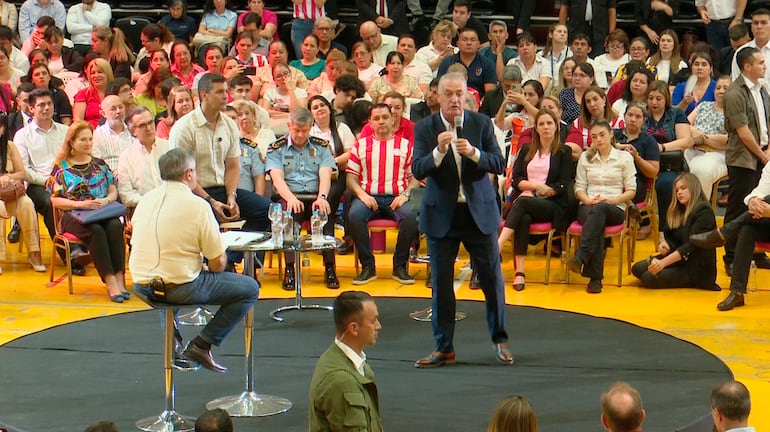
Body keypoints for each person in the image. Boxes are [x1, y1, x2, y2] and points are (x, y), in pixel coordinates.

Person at [412, 72, 513, 367]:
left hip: (478, 213)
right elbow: (418, 168)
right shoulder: (425, 128)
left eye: (460, 94)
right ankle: (444, 347)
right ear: (438, 97)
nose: (455, 99)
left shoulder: (481, 123)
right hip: (441, 214)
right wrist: (438, 151)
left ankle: (500, 339)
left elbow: (499, 162)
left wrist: (474, 153)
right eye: (449, 94)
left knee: (492, 280)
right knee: (441, 285)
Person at [130, 147, 259, 372]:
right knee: (249, 288)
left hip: (141, 283)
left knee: (169, 276)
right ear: (189, 174)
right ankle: (203, 343)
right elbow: (218, 263)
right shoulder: (198, 205)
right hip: (178, 286)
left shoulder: (145, 200)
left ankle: (174, 343)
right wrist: (207, 263)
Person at [169, 73, 271, 268]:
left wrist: (231, 196)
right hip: (193, 193)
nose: (226, 96)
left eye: (226, 91)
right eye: (219, 92)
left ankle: (237, 259)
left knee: (267, 210)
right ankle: (220, 263)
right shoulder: (184, 128)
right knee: (207, 216)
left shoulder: (230, 124)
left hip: (223, 189)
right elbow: (184, 175)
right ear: (204, 95)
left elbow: (233, 165)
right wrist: (210, 201)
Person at [47, 120, 126, 301]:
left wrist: (105, 199)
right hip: (74, 214)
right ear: (72, 143)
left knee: (114, 226)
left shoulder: (99, 164)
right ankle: (110, 281)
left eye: (90, 139)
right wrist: (80, 205)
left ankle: (120, 276)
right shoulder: (62, 168)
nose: (88, 143)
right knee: (96, 231)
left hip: (101, 210)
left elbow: (112, 188)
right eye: (83, 140)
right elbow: (55, 200)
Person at [498, 109, 573, 291]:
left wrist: (543, 190)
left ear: (556, 127)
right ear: (536, 128)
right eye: (541, 124)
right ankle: (520, 273)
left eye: (549, 123)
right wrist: (535, 186)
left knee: (522, 203)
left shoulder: (564, 151)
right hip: (526, 202)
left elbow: (564, 183)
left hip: (551, 204)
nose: (546, 127)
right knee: (523, 216)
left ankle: (496, 247)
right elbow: (515, 180)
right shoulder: (526, 149)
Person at [14, 87, 87, 274]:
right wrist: (48, 181)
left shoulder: (65, 131)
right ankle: (69, 253)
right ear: (31, 109)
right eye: (41, 105)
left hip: (69, 180)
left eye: (49, 104)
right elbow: (24, 170)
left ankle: (87, 246)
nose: (46, 108)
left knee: (88, 197)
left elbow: (77, 157)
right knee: (50, 202)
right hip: (38, 184)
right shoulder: (23, 135)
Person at [266, 107, 338, 290]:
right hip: (290, 196)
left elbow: (325, 175)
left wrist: (322, 197)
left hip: (315, 195)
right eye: (296, 130)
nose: (299, 134)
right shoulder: (277, 148)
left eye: (304, 131)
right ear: (289, 125)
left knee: (324, 213)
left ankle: (330, 268)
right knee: (289, 218)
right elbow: (277, 178)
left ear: (310, 127)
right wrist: (290, 198)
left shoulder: (321, 146)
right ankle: (290, 268)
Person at [346, 103, 419, 285]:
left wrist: (406, 194)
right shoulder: (360, 145)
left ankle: (400, 266)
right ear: (369, 122)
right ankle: (368, 267)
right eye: (376, 119)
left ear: (392, 119)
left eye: (385, 117)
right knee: (354, 215)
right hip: (369, 196)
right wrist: (362, 195)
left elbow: (416, 177)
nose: (381, 122)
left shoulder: (406, 146)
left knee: (411, 217)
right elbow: (350, 178)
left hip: (398, 197)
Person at [567, 120, 636, 294]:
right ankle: (595, 278)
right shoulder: (586, 157)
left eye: (602, 135)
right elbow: (579, 188)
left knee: (600, 211)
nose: (598, 139)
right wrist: (588, 200)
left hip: (615, 207)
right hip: (588, 205)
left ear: (611, 134)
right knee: (596, 217)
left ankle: (582, 256)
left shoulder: (624, 157)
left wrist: (611, 200)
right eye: (594, 136)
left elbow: (632, 191)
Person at [720, 46, 770, 278]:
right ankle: (730, 256)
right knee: (738, 207)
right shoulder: (734, 93)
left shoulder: (762, 89)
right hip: (744, 159)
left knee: (760, 206)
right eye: (760, 62)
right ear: (747, 67)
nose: (765, 66)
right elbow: (742, 130)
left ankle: (755, 252)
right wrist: (762, 155)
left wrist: (768, 149)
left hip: (764, 155)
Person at [308, 290, 382, 432]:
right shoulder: (341, 381)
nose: (378, 326)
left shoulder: (350, 362)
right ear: (354, 328)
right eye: (373, 321)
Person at [632, 172, 718, 289]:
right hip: (680, 261)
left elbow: (690, 246)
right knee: (637, 269)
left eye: (683, 188)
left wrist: (663, 263)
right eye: (677, 190)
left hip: (696, 268)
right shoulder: (679, 210)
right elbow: (672, 237)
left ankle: (689, 281)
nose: (679, 193)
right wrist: (665, 244)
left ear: (693, 188)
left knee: (648, 278)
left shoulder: (704, 211)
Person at [0, 111, 46, 274]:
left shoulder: (10, 146)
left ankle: (34, 253)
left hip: (11, 192)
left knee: (27, 204)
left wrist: (7, 176)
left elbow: (22, 173)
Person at [686, 74, 730, 198]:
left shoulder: (733, 111)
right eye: (718, 88)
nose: (721, 91)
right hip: (691, 148)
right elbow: (684, 125)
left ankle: (699, 211)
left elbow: (726, 141)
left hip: (717, 154)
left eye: (725, 88)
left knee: (701, 170)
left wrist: (700, 137)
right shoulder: (704, 105)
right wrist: (709, 137)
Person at [117, 106, 169, 207]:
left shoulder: (169, 147)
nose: (149, 128)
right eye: (142, 125)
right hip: (145, 209)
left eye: (150, 122)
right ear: (133, 131)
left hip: (171, 205)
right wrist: (151, 201)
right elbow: (126, 195)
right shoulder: (126, 158)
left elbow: (181, 182)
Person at [437, 28, 496, 99]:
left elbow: (490, 95)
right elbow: (440, 88)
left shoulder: (488, 64)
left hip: (480, 106)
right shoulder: (447, 62)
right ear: (458, 44)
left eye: (473, 40)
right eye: (465, 40)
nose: (469, 43)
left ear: (478, 44)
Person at [232, 99, 273, 195]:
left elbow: (276, 157)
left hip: (268, 178)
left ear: (254, 116)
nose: (244, 117)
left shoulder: (267, 134)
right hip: (243, 181)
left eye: (247, 113)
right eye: (240, 115)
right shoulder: (234, 139)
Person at [91, 95, 131, 172]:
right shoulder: (96, 136)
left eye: (121, 107)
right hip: (110, 178)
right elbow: (97, 164)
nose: (118, 111)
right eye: (113, 109)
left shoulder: (134, 131)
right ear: (103, 113)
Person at [73, 58, 112, 128]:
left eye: (100, 72)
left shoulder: (116, 92)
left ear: (107, 73)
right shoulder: (83, 94)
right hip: (90, 134)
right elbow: (78, 121)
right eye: (92, 73)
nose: (96, 76)